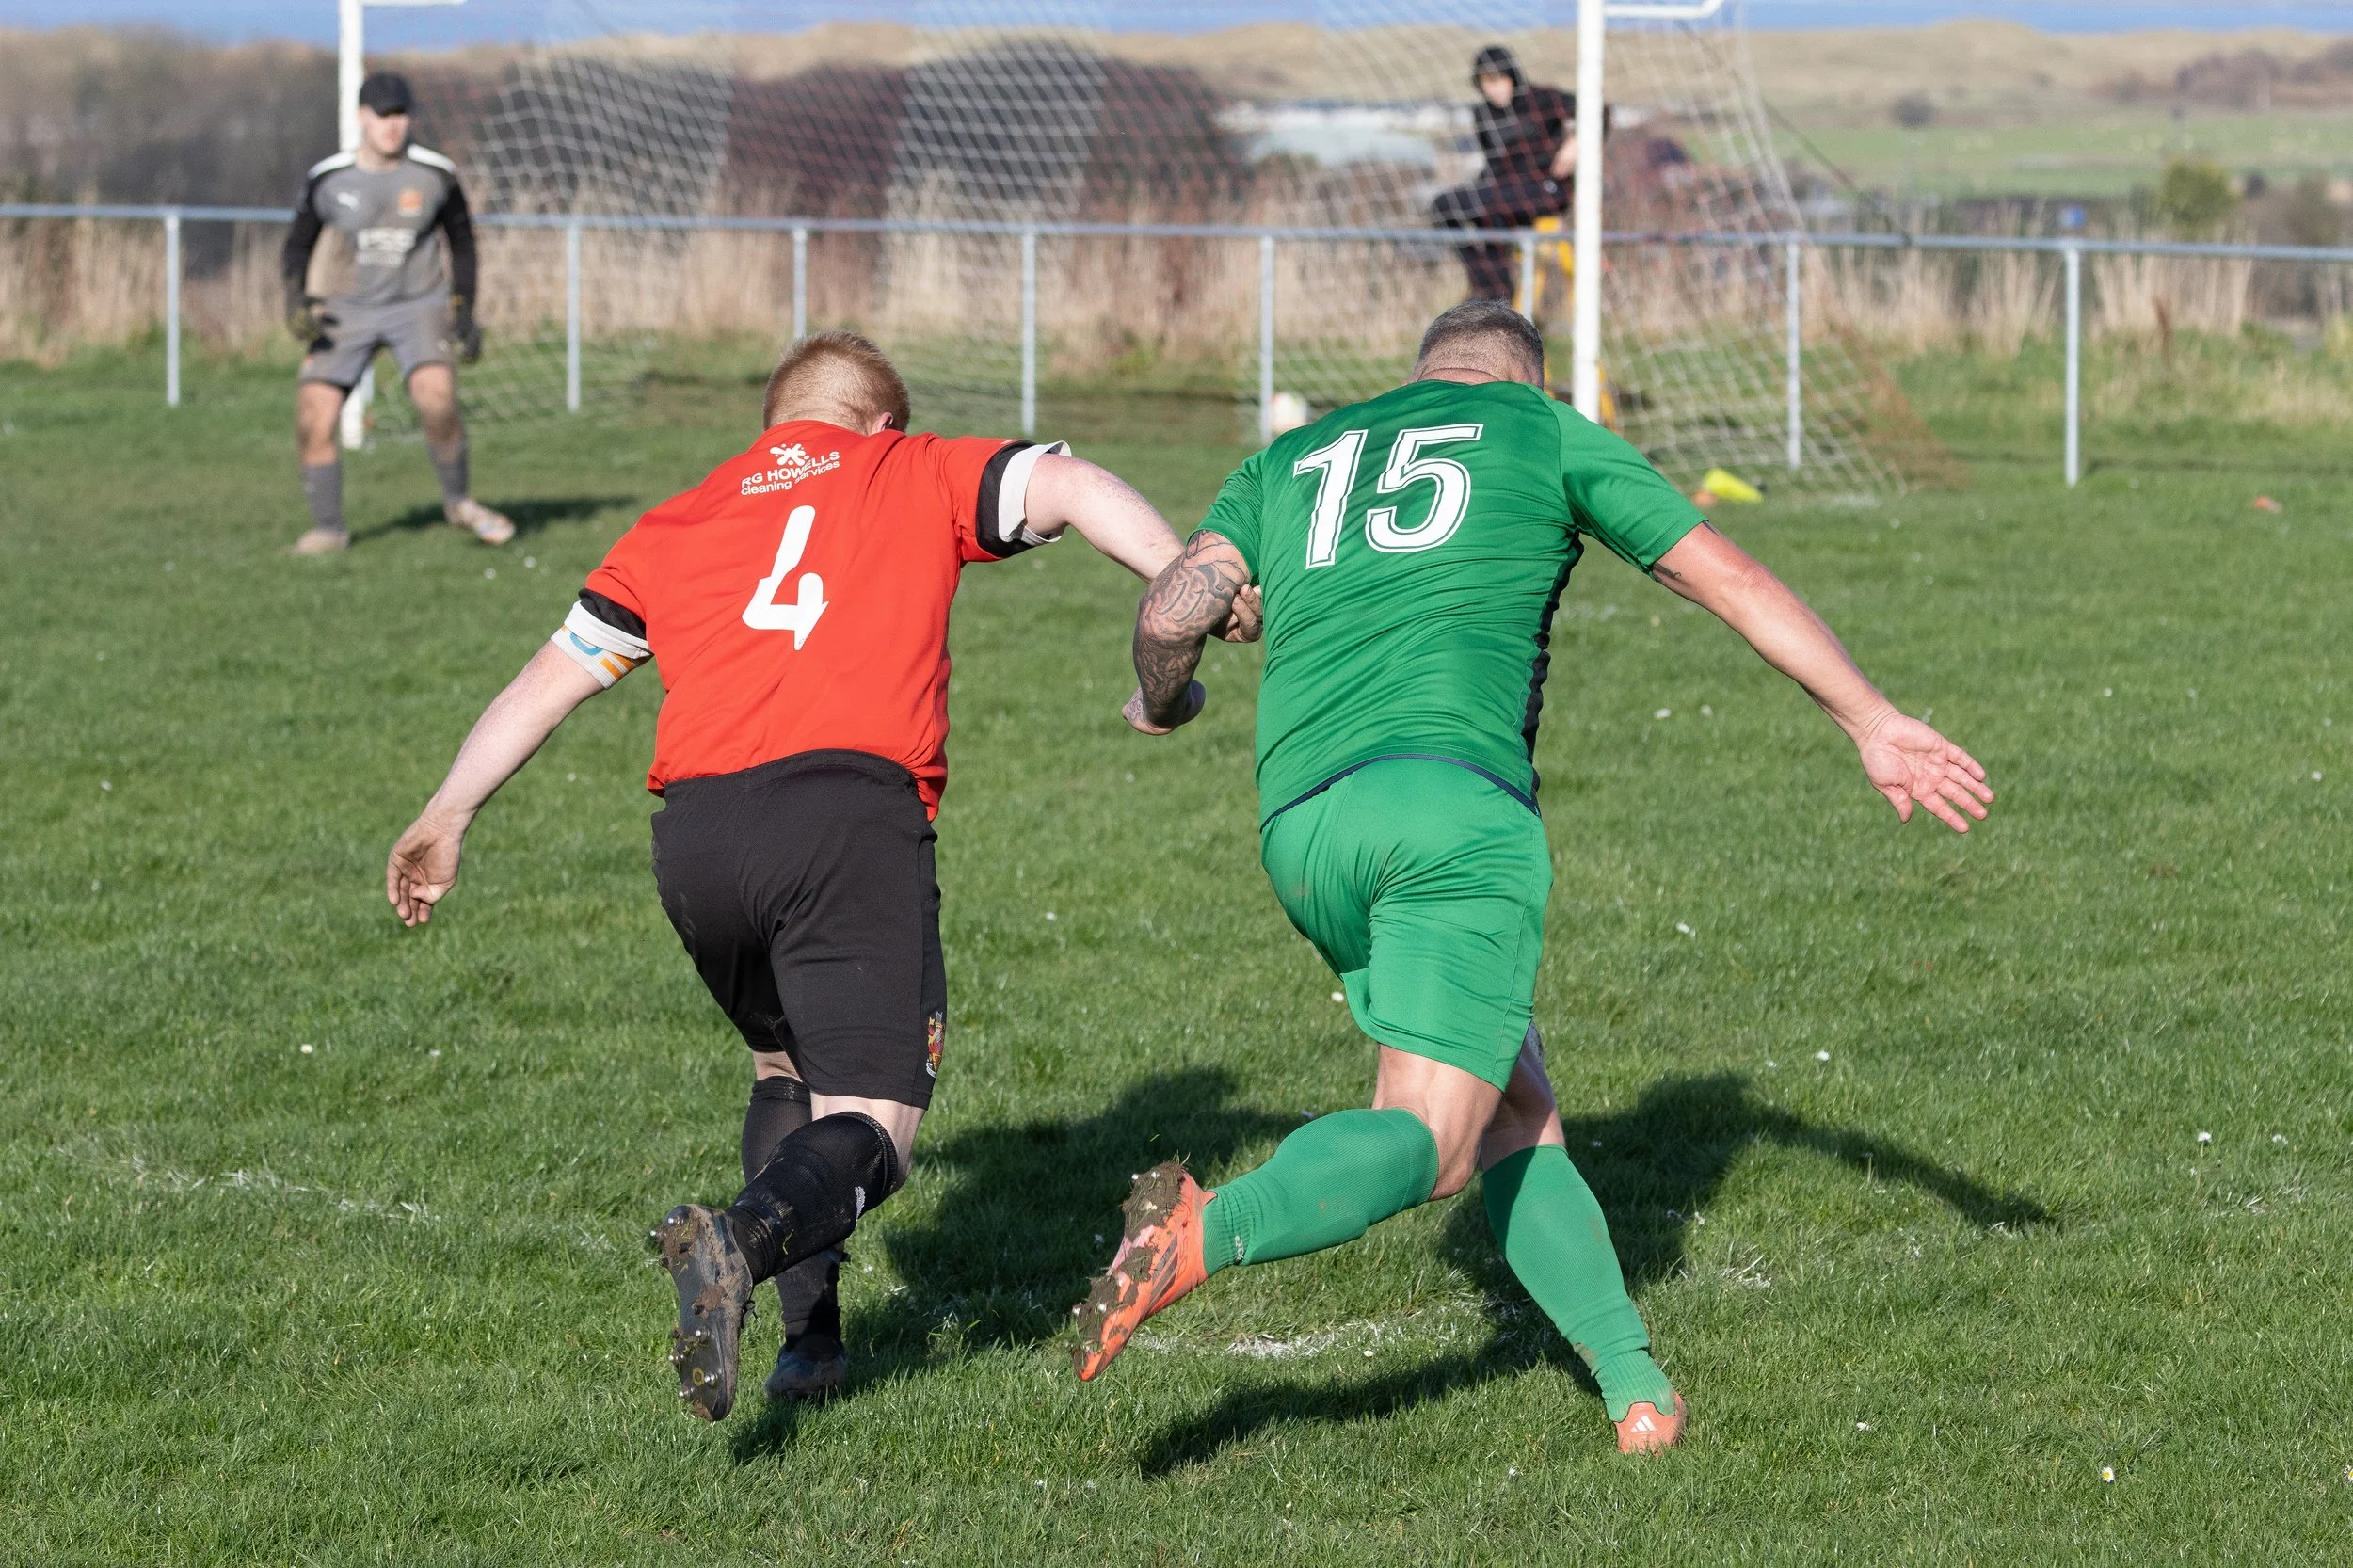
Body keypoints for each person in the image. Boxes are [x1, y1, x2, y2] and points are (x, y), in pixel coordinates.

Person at [1070, 300, 1993, 1454]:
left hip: (1302, 830)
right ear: (1528, 377)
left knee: (1517, 1106)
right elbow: (1734, 578)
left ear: (1422, 371)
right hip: (1450, 816)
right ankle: (1203, 1232)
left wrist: (1167, 701)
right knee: (1436, 1141)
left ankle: (1634, 1384)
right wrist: (1870, 718)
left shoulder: (1292, 457)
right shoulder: (1543, 431)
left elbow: (1172, 608)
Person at [386, 330, 1255, 1420]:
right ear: (880, 421)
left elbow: (547, 683)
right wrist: (1186, 576)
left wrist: (445, 812)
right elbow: (1070, 485)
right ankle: (738, 1243)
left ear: (772, 429)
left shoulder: (678, 519)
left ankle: (812, 1345)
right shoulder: (909, 465)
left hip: (696, 836)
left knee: (781, 1070)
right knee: (878, 1128)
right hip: (842, 815)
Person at [282, 71, 512, 554]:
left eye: (400, 115)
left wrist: (464, 309)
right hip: (347, 308)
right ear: (362, 117)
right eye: (382, 115)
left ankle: (457, 501)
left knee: (437, 399)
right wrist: (295, 298)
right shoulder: (329, 177)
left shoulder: (436, 174)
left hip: (418, 304)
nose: (392, 125)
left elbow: (463, 243)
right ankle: (328, 528)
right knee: (313, 416)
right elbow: (297, 245)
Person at [1432, 44, 1594, 302]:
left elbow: (1599, 111)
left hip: (1545, 188)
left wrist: (1576, 143)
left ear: (1512, 77)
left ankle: (1498, 292)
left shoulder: (1542, 99)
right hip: (1501, 192)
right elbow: (1493, 163)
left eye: (1498, 81)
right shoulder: (1483, 114)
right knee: (1445, 205)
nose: (1492, 89)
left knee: (1492, 204)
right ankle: (1488, 286)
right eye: (1485, 83)